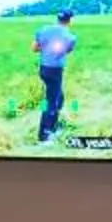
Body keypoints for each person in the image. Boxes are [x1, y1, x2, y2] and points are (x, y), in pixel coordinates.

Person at [32, 8, 77, 145]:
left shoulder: (43, 30)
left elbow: (34, 48)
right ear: (70, 21)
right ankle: (44, 136)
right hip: (55, 71)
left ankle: (53, 126)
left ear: (57, 18)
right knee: (52, 102)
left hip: (44, 69)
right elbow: (67, 51)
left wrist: (45, 48)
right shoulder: (70, 37)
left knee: (59, 98)